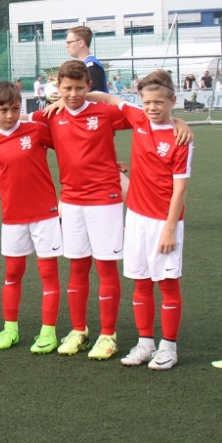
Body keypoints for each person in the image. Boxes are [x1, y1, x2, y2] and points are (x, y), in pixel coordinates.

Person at [0, 60, 126, 359]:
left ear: (88, 86)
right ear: (57, 87)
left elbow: (144, 119)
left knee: (105, 268)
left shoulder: (95, 113)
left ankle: (106, 335)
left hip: (95, 202)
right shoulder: (45, 117)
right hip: (65, 204)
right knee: (75, 268)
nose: (73, 94)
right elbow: (11, 120)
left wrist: (112, 161)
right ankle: (78, 330)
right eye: (66, 88)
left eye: (79, 88)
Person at [86, 72, 192, 370]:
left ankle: (169, 348)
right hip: (135, 218)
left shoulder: (181, 138)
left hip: (164, 222)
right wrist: (73, 98)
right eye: (147, 103)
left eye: (159, 102)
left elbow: (180, 189)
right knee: (141, 282)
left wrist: (170, 228)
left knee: (167, 284)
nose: (152, 108)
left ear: (172, 101)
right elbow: (109, 98)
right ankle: (145, 343)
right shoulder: (139, 119)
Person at [0, 81, 62, 354]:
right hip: (13, 217)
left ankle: (48, 332)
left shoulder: (36, 130)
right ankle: (11, 329)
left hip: (45, 215)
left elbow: (68, 147)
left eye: (15, 109)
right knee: (13, 273)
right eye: (3, 110)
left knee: (48, 274)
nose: (10, 115)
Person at [66, 26, 108, 93]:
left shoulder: (91, 66)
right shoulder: (85, 65)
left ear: (81, 43)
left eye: (69, 42)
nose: (67, 46)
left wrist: (66, 95)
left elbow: (97, 94)